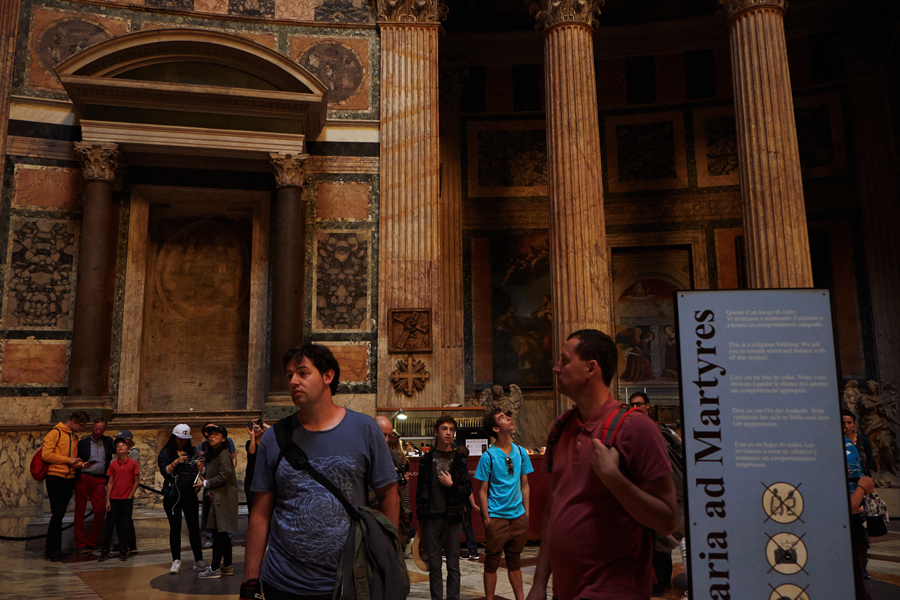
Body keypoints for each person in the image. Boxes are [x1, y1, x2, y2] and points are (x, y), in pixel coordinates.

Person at [526, 330, 676, 600]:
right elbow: (552, 509)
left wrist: (613, 478)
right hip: (565, 590)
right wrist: (539, 584)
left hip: (614, 590)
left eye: (565, 360)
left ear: (590, 368)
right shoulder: (560, 427)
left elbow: (666, 521)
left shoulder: (636, 428)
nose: (556, 367)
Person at [242, 344, 398, 600]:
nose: (293, 381)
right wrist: (249, 582)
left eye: (303, 373)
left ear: (328, 376)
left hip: (347, 581)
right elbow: (260, 513)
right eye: (290, 375)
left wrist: (384, 557)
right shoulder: (273, 438)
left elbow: (389, 495)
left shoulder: (365, 430)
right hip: (282, 582)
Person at [474, 407, 532, 600]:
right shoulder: (488, 456)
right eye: (502, 417)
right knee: (492, 561)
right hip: (496, 517)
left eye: (507, 416)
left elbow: (525, 484)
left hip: (518, 516)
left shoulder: (521, 452)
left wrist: (526, 513)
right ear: (496, 428)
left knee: (515, 561)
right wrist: (487, 518)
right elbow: (482, 490)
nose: (508, 418)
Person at [630, 391, 683, 597]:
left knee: (661, 540)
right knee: (660, 539)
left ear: (647, 406)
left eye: (639, 404)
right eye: (632, 405)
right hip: (663, 491)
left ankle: (658, 586)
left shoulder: (655, 430)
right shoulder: (659, 429)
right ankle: (660, 581)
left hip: (667, 490)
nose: (636, 408)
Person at [416, 415, 473, 600]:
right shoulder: (426, 459)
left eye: (451, 429)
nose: (448, 433)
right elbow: (420, 491)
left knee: (453, 565)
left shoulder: (459, 459)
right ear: (436, 432)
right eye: (444, 429)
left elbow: (467, 490)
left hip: (453, 518)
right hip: (432, 517)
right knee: (434, 565)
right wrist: (421, 519)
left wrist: (452, 485)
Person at [158, 423, 207, 574]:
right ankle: (176, 559)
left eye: (185, 439)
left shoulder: (193, 452)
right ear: (174, 437)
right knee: (175, 528)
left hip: (189, 494)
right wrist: (176, 462)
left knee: (194, 528)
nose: (183, 441)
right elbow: (164, 471)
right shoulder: (166, 452)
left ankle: (198, 559)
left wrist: (201, 469)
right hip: (172, 495)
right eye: (180, 439)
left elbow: (200, 472)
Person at [42, 410, 89, 561]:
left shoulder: (74, 437)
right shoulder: (55, 433)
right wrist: (69, 460)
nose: (82, 428)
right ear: (73, 421)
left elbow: (72, 460)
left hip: (69, 478)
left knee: (60, 514)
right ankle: (54, 551)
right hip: (55, 477)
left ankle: (51, 550)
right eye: (81, 425)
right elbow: (46, 455)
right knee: (57, 513)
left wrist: (80, 464)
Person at [195, 425, 238, 578]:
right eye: (210, 434)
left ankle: (214, 568)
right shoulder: (215, 454)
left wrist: (206, 483)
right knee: (222, 535)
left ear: (223, 438)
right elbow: (214, 474)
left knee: (218, 535)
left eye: (216, 434)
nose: (211, 436)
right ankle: (227, 565)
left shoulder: (224, 454)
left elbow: (224, 475)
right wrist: (202, 472)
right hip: (217, 498)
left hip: (220, 499)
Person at [74, 418, 114, 554]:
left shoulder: (108, 442)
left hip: (99, 479)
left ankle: (92, 541)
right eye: (96, 429)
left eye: (101, 429)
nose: (98, 431)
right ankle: (80, 543)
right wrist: (82, 465)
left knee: (100, 509)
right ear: (92, 428)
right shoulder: (83, 443)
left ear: (104, 430)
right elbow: (76, 460)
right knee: (80, 511)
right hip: (84, 478)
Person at [843, 409, 874, 580]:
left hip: (860, 485)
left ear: (854, 424)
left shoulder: (862, 441)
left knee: (862, 528)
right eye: (843, 423)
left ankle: (862, 565)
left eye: (849, 422)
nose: (846, 426)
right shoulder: (839, 442)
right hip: (849, 490)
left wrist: (865, 484)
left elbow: (867, 463)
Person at [98, 437, 140, 562]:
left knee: (124, 525)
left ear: (128, 449)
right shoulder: (113, 464)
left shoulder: (133, 463)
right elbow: (110, 482)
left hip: (126, 499)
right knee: (110, 526)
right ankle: (105, 551)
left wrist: (130, 495)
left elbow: (136, 481)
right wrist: (108, 500)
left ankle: (123, 550)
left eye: (123, 445)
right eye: (118, 446)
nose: (120, 447)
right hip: (114, 499)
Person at [114, 429, 139, 555]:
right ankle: (122, 543)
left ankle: (131, 544)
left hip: (127, 489)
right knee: (119, 519)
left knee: (126, 519)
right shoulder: (118, 453)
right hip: (117, 489)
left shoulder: (134, 453)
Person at [455, 445, 482, 562]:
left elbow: (467, 489)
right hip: (466, 503)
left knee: (461, 527)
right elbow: (469, 489)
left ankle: (472, 550)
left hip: (460, 503)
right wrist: (473, 504)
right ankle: (473, 551)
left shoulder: (458, 469)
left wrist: (473, 504)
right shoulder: (464, 468)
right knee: (467, 527)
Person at [245, 418, 269, 512]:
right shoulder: (249, 443)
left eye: (257, 428)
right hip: (252, 477)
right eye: (252, 428)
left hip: (265, 477)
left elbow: (275, 432)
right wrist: (252, 436)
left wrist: (263, 423)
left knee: (265, 507)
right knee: (252, 506)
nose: (254, 430)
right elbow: (252, 452)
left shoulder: (267, 442)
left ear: (262, 430)